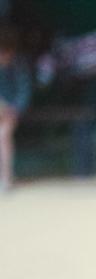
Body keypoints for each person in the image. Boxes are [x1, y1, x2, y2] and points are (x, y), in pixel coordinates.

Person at [0, 24, 31, 191]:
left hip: (10, 113)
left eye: (5, 53)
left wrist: (13, 108)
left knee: (3, 135)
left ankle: (6, 177)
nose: (3, 57)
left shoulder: (19, 65)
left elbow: (24, 92)